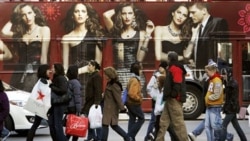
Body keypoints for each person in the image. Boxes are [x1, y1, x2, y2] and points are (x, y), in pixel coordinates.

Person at [103, 2, 155, 95]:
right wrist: (120, 7)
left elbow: (139, 59)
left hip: (135, 76)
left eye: (130, 13)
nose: (127, 16)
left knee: (135, 105)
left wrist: (148, 35)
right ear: (120, 15)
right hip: (118, 76)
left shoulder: (141, 33)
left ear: (134, 15)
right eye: (124, 13)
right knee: (119, 106)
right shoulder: (115, 32)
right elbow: (106, 15)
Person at [1, 3, 51, 92]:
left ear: (34, 13)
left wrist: (44, 78)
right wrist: (14, 18)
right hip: (19, 73)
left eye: (29, 13)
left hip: (35, 73)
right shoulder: (20, 34)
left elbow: (44, 58)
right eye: (23, 15)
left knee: (31, 103)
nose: (27, 17)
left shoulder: (44, 30)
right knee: (16, 101)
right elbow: (4, 32)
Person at [61, 3, 104, 92]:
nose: (80, 14)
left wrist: (77, 72)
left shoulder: (96, 35)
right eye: (77, 11)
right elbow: (65, 66)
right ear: (73, 15)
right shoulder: (66, 38)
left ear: (87, 15)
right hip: (74, 82)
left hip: (91, 80)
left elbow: (97, 65)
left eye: (83, 11)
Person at [155, 51, 189, 141]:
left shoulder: (175, 68)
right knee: (163, 122)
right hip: (170, 99)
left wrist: (172, 95)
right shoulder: (173, 67)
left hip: (174, 99)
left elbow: (177, 83)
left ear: (169, 59)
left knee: (178, 123)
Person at [188, 3, 229, 69]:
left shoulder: (218, 22)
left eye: (193, 12)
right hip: (199, 71)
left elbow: (223, 50)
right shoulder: (195, 27)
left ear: (204, 11)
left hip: (213, 71)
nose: (190, 15)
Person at [102, 66, 132, 141]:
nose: (105, 76)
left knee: (106, 125)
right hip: (107, 108)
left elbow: (118, 98)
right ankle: (127, 138)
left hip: (111, 109)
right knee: (113, 125)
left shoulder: (115, 85)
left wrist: (123, 108)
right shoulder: (109, 83)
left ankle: (127, 137)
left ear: (109, 75)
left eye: (106, 74)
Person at [221, 68, 247, 141]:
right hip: (231, 108)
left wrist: (227, 108)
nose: (223, 76)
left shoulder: (232, 84)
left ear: (229, 74)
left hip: (231, 109)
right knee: (236, 126)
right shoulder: (230, 82)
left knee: (223, 125)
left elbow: (231, 98)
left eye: (224, 74)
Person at [26, 64, 51, 141]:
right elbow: (46, 93)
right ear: (44, 71)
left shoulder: (40, 80)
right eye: (48, 70)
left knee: (35, 124)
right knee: (52, 125)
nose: (50, 71)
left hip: (39, 105)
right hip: (42, 106)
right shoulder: (43, 81)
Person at [81, 60, 102, 141]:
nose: (88, 66)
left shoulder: (96, 76)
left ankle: (98, 138)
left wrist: (97, 102)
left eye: (89, 65)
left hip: (93, 102)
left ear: (94, 67)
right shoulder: (91, 75)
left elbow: (98, 90)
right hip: (89, 101)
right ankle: (91, 136)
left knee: (96, 120)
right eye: (88, 65)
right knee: (90, 119)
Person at [203, 59, 224, 141]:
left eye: (207, 71)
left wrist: (208, 98)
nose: (206, 73)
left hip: (214, 106)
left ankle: (222, 138)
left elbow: (217, 94)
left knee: (215, 126)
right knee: (207, 126)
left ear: (212, 71)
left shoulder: (217, 80)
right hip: (210, 106)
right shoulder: (212, 80)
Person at [48, 63, 68, 141]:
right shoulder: (56, 77)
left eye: (53, 68)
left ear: (57, 69)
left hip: (59, 104)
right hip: (54, 104)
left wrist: (51, 85)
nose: (52, 69)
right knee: (52, 124)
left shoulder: (61, 78)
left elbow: (63, 90)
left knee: (57, 125)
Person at [125, 62, 145, 141]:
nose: (141, 71)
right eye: (140, 69)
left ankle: (131, 138)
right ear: (137, 70)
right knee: (141, 118)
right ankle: (129, 135)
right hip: (134, 103)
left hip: (129, 103)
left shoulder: (132, 78)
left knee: (132, 119)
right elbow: (132, 94)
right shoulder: (135, 80)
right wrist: (139, 98)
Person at [65, 65, 83, 141]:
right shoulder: (76, 83)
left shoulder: (68, 82)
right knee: (75, 128)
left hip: (69, 107)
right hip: (74, 107)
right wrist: (79, 110)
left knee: (71, 126)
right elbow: (77, 97)